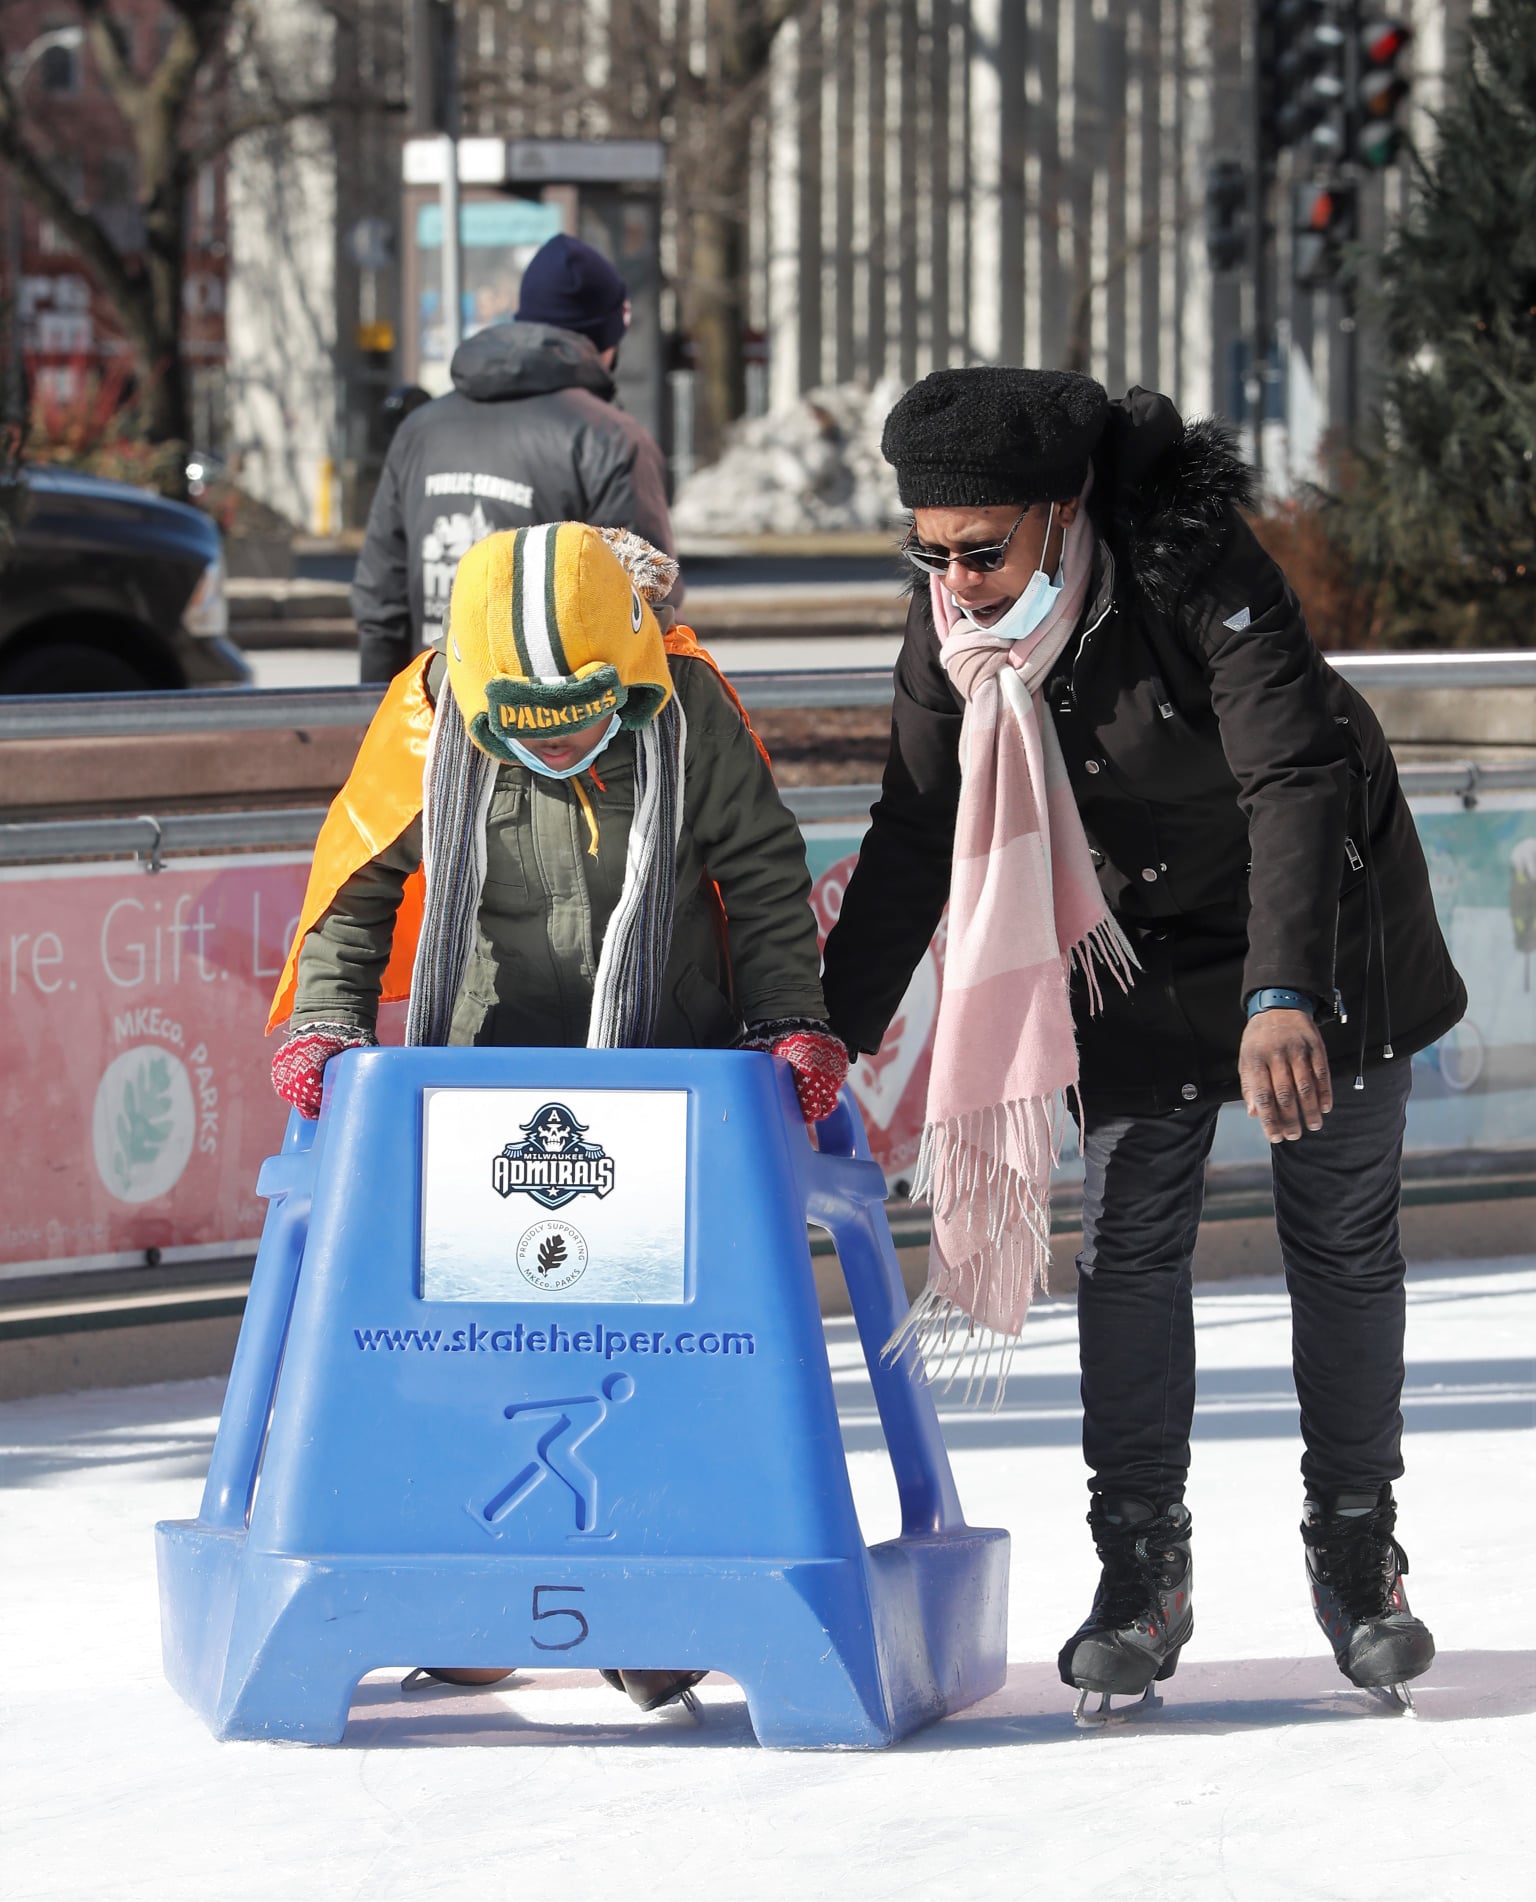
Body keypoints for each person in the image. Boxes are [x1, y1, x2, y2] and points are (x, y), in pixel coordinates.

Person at [819, 369, 1466, 1719]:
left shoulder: (1192, 568)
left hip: (1319, 910)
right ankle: (1141, 1572)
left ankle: (1357, 1549)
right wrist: (826, 1032)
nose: (958, 579)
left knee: (1339, 1238)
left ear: (1062, 514)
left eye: (982, 549)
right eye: (928, 552)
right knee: (1127, 1240)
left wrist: (1283, 991)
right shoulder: (951, 636)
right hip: (1133, 939)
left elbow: (1296, 770)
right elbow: (914, 832)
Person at [269, 521, 847, 1711]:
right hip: (485, 1063)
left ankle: (661, 1597)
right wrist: (325, 1022)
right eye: (530, 730)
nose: (565, 746)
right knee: (478, 1336)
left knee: (657, 1344)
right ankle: (468, 1590)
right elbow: (355, 881)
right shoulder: (428, 719)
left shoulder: (687, 708)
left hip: (666, 1060)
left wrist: (790, 1018)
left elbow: (768, 874)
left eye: (586, 719)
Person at [353, 234, 677, 683]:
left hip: (435, 716)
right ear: (607, 338)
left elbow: (380, 599)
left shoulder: (421, 429)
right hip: (559, 737)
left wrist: (384, 715)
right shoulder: (610, 438)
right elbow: (645, 609)